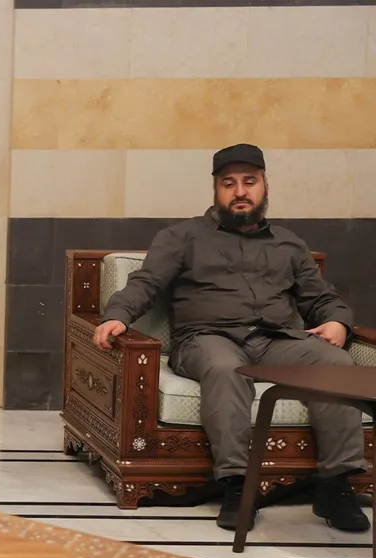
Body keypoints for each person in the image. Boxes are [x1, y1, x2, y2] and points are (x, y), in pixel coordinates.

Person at [94, 143, 370, 533]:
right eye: (229, 183)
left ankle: (336, 486)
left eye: (249, 181)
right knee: (226, 369)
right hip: (206, 339)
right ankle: (239, 486)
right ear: (216, 189)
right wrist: (118, 316)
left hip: (274, 339)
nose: (240, 191)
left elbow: (320, 298)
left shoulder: (289, 244)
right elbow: (146, 283)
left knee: (335, 363)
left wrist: (338, 321)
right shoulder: (183, 236)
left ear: (265, 186)